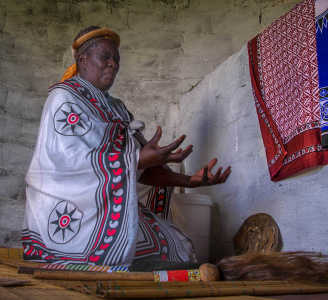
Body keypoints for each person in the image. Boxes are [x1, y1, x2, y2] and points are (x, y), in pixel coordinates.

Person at [22, 26, 231, 268]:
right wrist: (138, 160)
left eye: (116, 59)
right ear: (82, 60)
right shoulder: (63, 99)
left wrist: (188, 181)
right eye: (106, 57)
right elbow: (68, 165)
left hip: (109, 207)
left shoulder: (117, 108)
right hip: (70, 212)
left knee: (180, 250)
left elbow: (139, 169)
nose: (113, 64)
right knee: (139, 256)